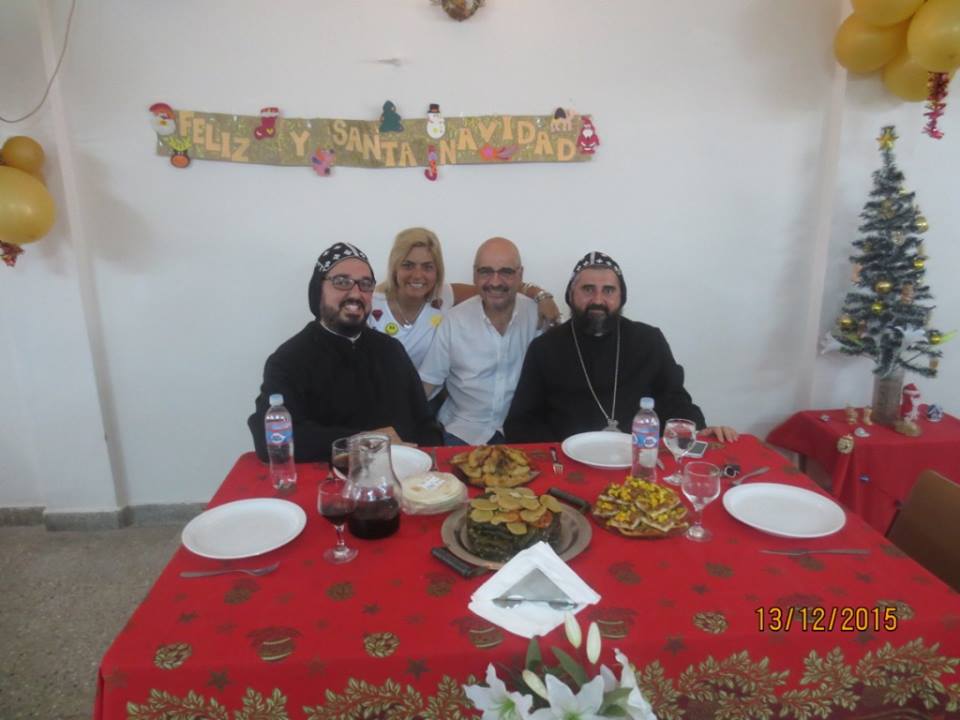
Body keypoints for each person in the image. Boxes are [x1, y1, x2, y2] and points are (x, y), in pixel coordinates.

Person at [504, 251, 737, 443]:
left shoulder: (649, 341)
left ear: (621, 296)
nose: (598, 300)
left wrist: (698, 430)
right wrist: (562, 451)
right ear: (571, 295)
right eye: (588, 289)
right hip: (568, 463)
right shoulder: (545, 347)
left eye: (608, 290)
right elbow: (521, 421)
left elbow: (675, 401)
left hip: (637, 460)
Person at [247, 242, 441, 462]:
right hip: (328, 476)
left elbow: (425, 424)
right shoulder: (289, 360)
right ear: (318, 290)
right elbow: (270, 439)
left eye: (365, 284)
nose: (355, 293)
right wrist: (364, 441)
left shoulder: (391, 350)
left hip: (404, 473)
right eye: (342, 282)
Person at [368, 227, 561, 369]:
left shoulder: (444, 295)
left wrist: (541, 296)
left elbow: (497, 287)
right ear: (394, 268)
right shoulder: (372, 305)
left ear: (438, 271)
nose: (418, 275)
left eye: (427, 267)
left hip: (428, 398)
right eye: (408, 265)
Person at [419, 237, 540, 446]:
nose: (495, 282)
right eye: (486, 272)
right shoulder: (454, 321)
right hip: (462, 432)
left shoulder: (538, 316)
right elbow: (427, 384)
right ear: (475, 275)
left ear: (520, 275)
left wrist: (543, 296)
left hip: (519, 431)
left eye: (506, 272)